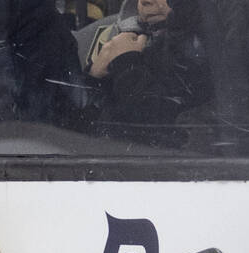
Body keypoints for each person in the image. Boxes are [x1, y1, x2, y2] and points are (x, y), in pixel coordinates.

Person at [77, 0, 211, 148]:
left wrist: (126, 66)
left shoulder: (218, 51)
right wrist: (94, 77)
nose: (145, 1)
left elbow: (165, 136)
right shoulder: (96, 39)